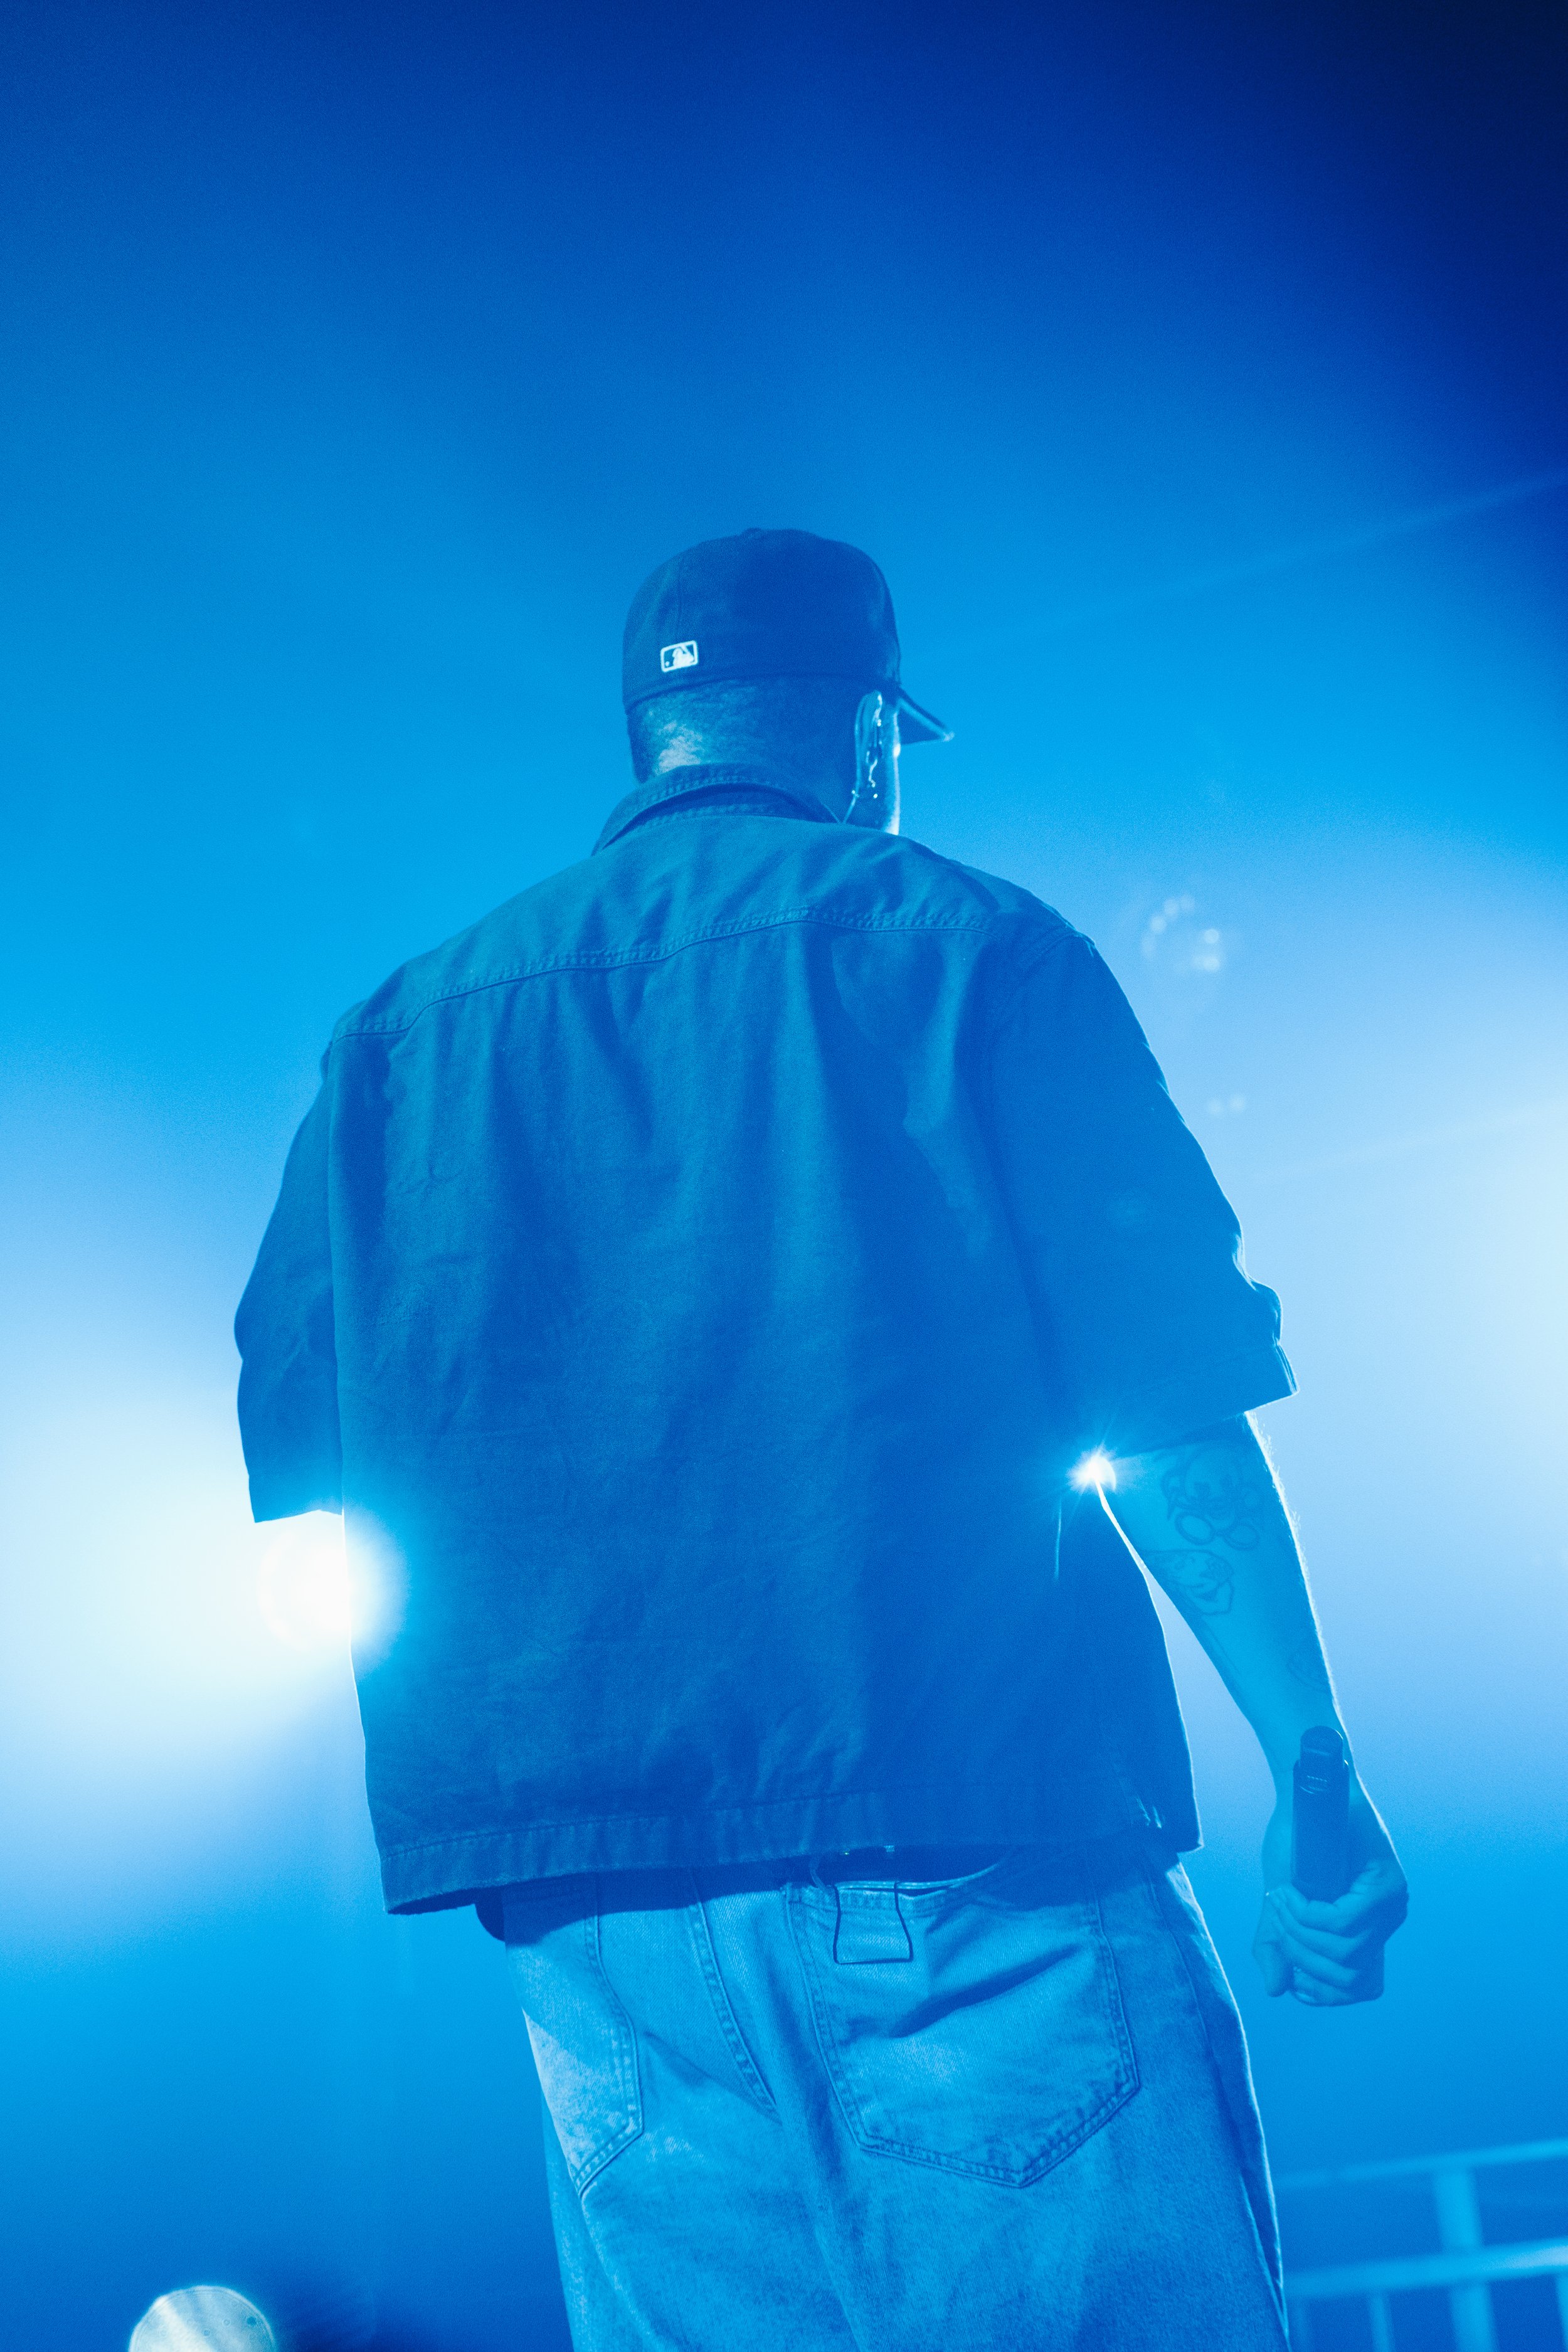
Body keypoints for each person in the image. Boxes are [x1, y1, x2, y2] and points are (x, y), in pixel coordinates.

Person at [236, 527, 1407, 2350]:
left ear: (651, 743)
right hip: (976, 1862)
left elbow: (314, 1478)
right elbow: (1167, 1418)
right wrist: (1310, 1762)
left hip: (598, 1944)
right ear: (866, 734)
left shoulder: (393, 1041)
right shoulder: (970, 952)